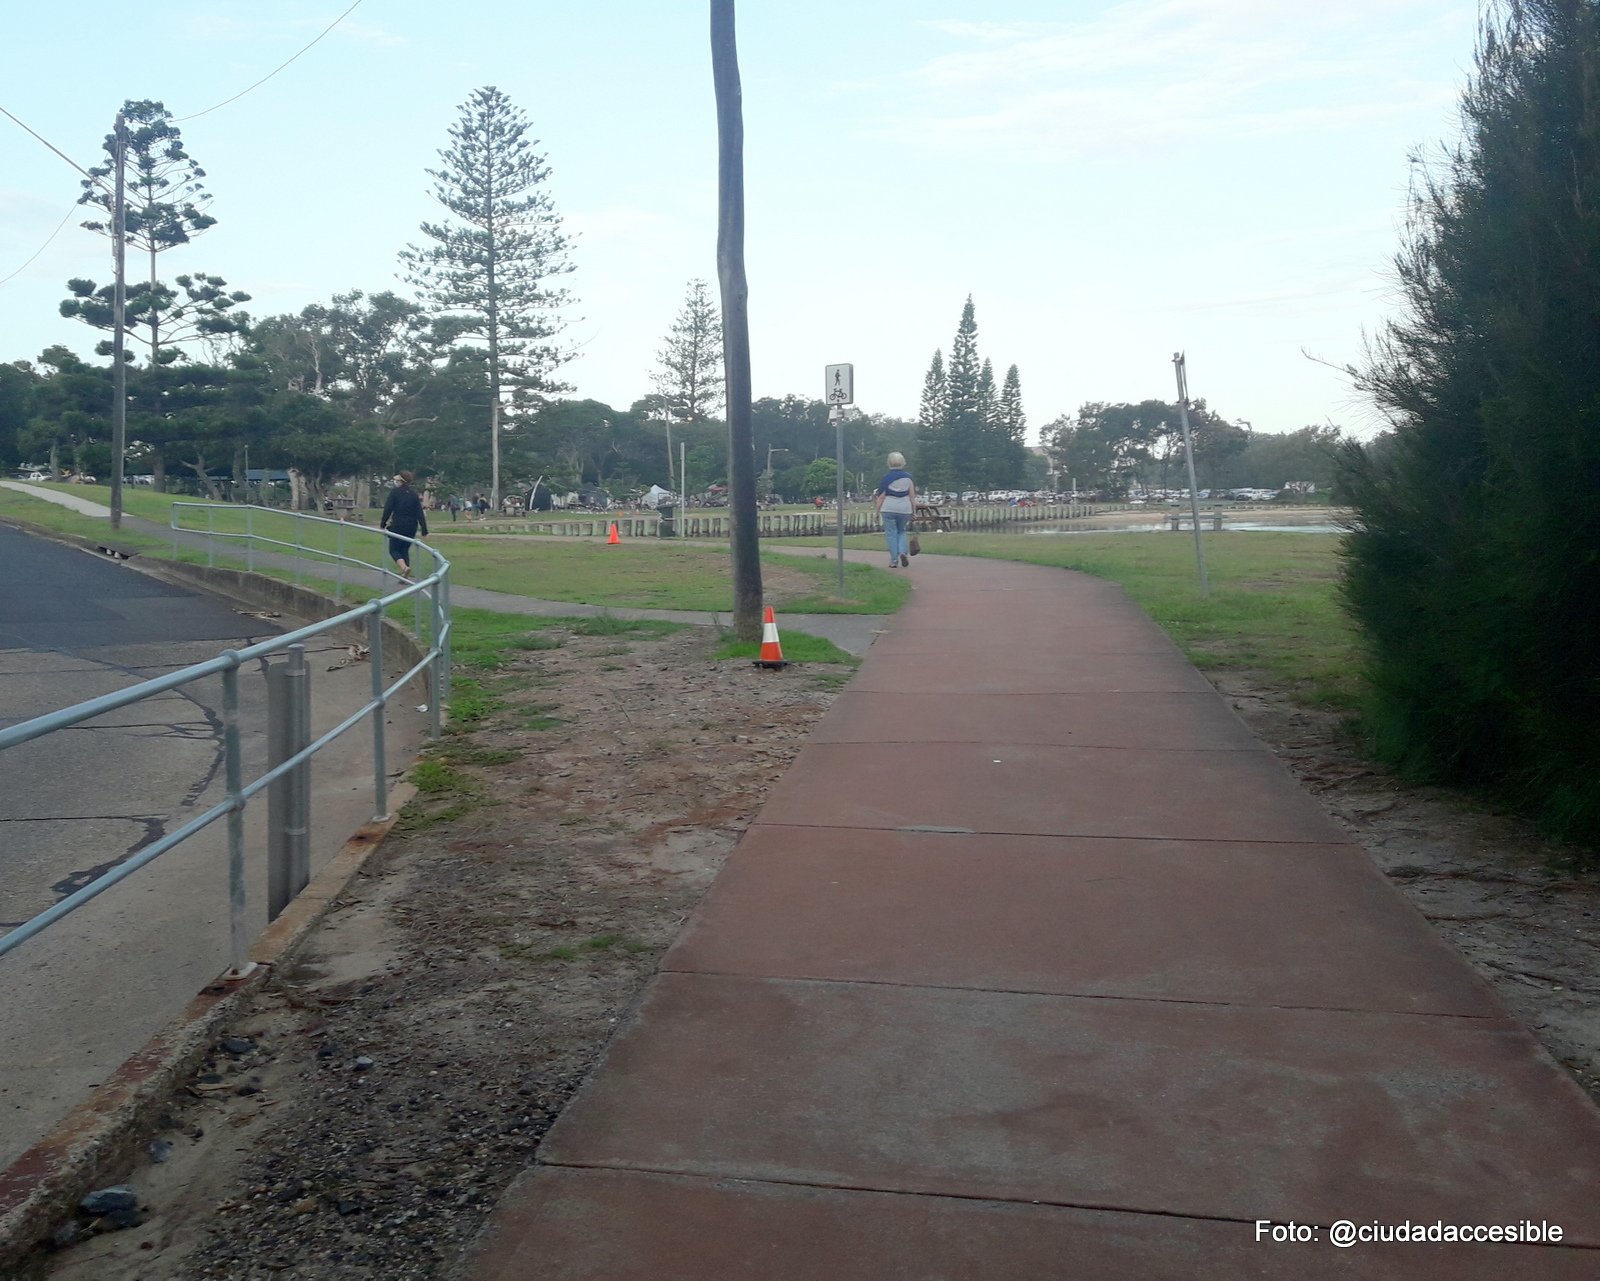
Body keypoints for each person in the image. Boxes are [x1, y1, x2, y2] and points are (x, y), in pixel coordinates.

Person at [380, 471, 428, 579]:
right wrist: (424, 530)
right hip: (411, 527)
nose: (396, 482)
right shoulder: (414, 495)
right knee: (404, 549)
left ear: (401, 481)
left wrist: (383, 523)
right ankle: (405, 576)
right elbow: (419, 513)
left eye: (398, 480)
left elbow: (388, 509)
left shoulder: (395, 492)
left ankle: (404, 568)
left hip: (398, 525)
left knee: (394, 550)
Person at [874, 451, 916, 568]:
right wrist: (914, 511)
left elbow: (881, 497)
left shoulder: (886, 478)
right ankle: (902, 552)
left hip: (889, 507)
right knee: (902, 531)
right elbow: (912, 496)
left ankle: (894, 560)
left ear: (889, 463)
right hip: (904, 508)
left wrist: (876, 513)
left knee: (891, 534)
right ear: (903, 463)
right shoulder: (908, 478)